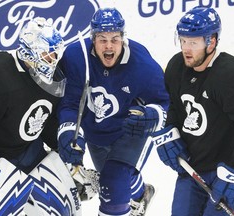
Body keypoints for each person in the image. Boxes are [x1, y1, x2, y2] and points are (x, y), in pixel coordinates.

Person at [57, 7, 169, 216]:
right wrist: (69, 131)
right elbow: (70, 103)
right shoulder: (76, 57)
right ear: (93, 39)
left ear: (123, 39)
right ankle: (140, 194)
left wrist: (152, 115)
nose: (109, 46)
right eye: (102, 39)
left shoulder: (142, 65)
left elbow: (165, 102)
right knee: (113, 178)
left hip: (130, 132)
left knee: (111, 185)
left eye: (114, 39)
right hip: (95, 132)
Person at [155, 6, 234, 216]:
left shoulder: (231, 76)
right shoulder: (175, 67)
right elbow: (174, 106)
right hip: (194, 170)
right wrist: (169, 131)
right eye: (183, 40)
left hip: (232, 171)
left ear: (212, 42)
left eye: (194, 42)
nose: (186, 49)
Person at [0, 17, 66, 174]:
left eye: (54, 55)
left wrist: (65, 147)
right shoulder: (0, 71)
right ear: (30, 52)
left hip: (27, 152)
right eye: (47, 54)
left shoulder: (54, 79)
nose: (52, 61)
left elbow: (47, 123)